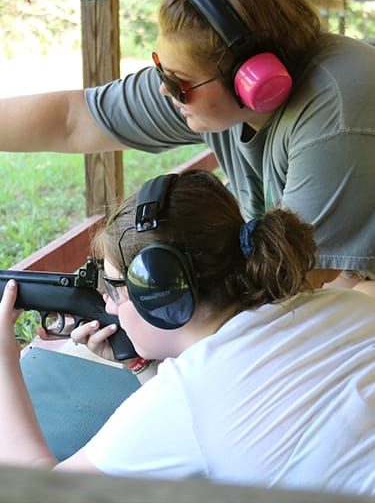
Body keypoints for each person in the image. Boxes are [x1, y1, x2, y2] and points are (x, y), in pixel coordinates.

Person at [0, 0, 374, 295]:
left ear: (255, 82)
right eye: (162, 72)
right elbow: (73, 120)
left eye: (177, 83)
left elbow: (302, 282)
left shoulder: (338, 112)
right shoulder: (207, 78)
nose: (164, 91)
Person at [1, 169, 375, 495]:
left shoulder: (182, 400)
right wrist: (140, 364)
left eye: (115, 288)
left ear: (161, 295)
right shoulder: (344, 305)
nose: (111, 305)